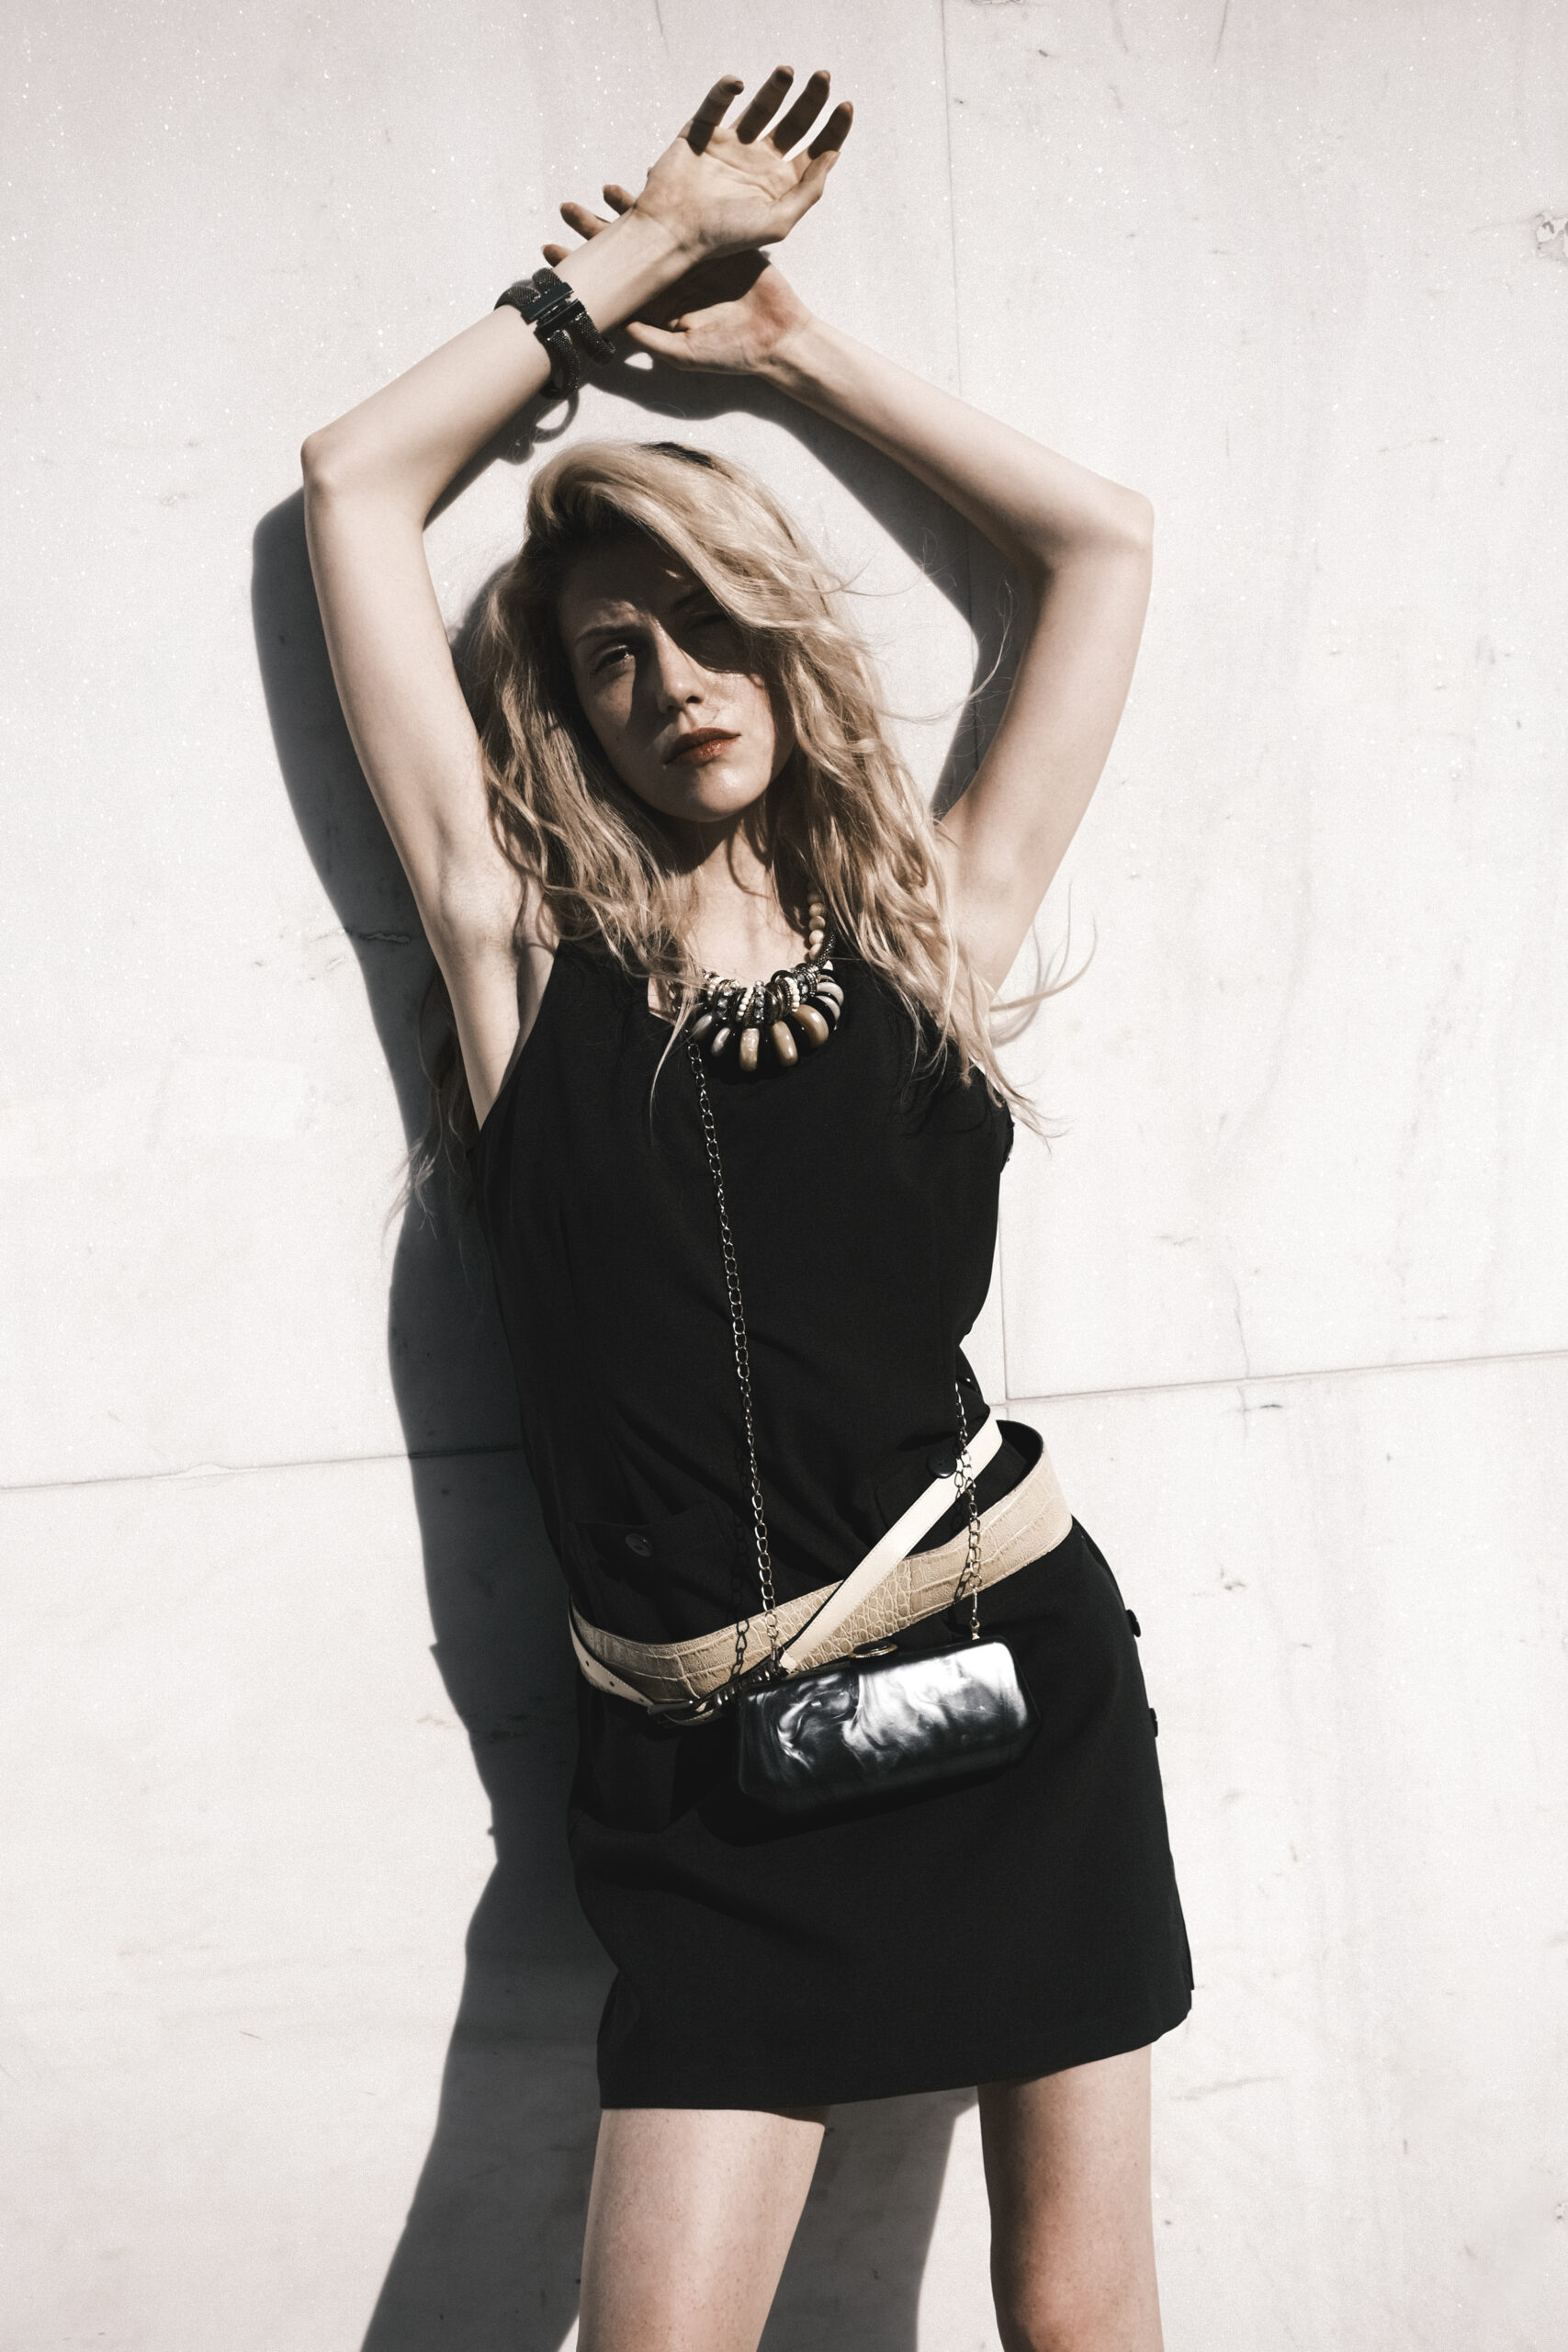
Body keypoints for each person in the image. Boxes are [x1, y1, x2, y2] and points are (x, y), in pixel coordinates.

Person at [301, 64, 1191, 2352]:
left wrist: (782, 341)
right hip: (704, 1785)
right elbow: (356, 482)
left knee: (1075, 2319)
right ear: (566, 714)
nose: (670, 679)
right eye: (613, 652)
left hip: (1013, 1691)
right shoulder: (521, 965)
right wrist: (620, 264)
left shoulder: (931, 930)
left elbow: (1099, 548)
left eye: (704, 624)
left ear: (781, 644)